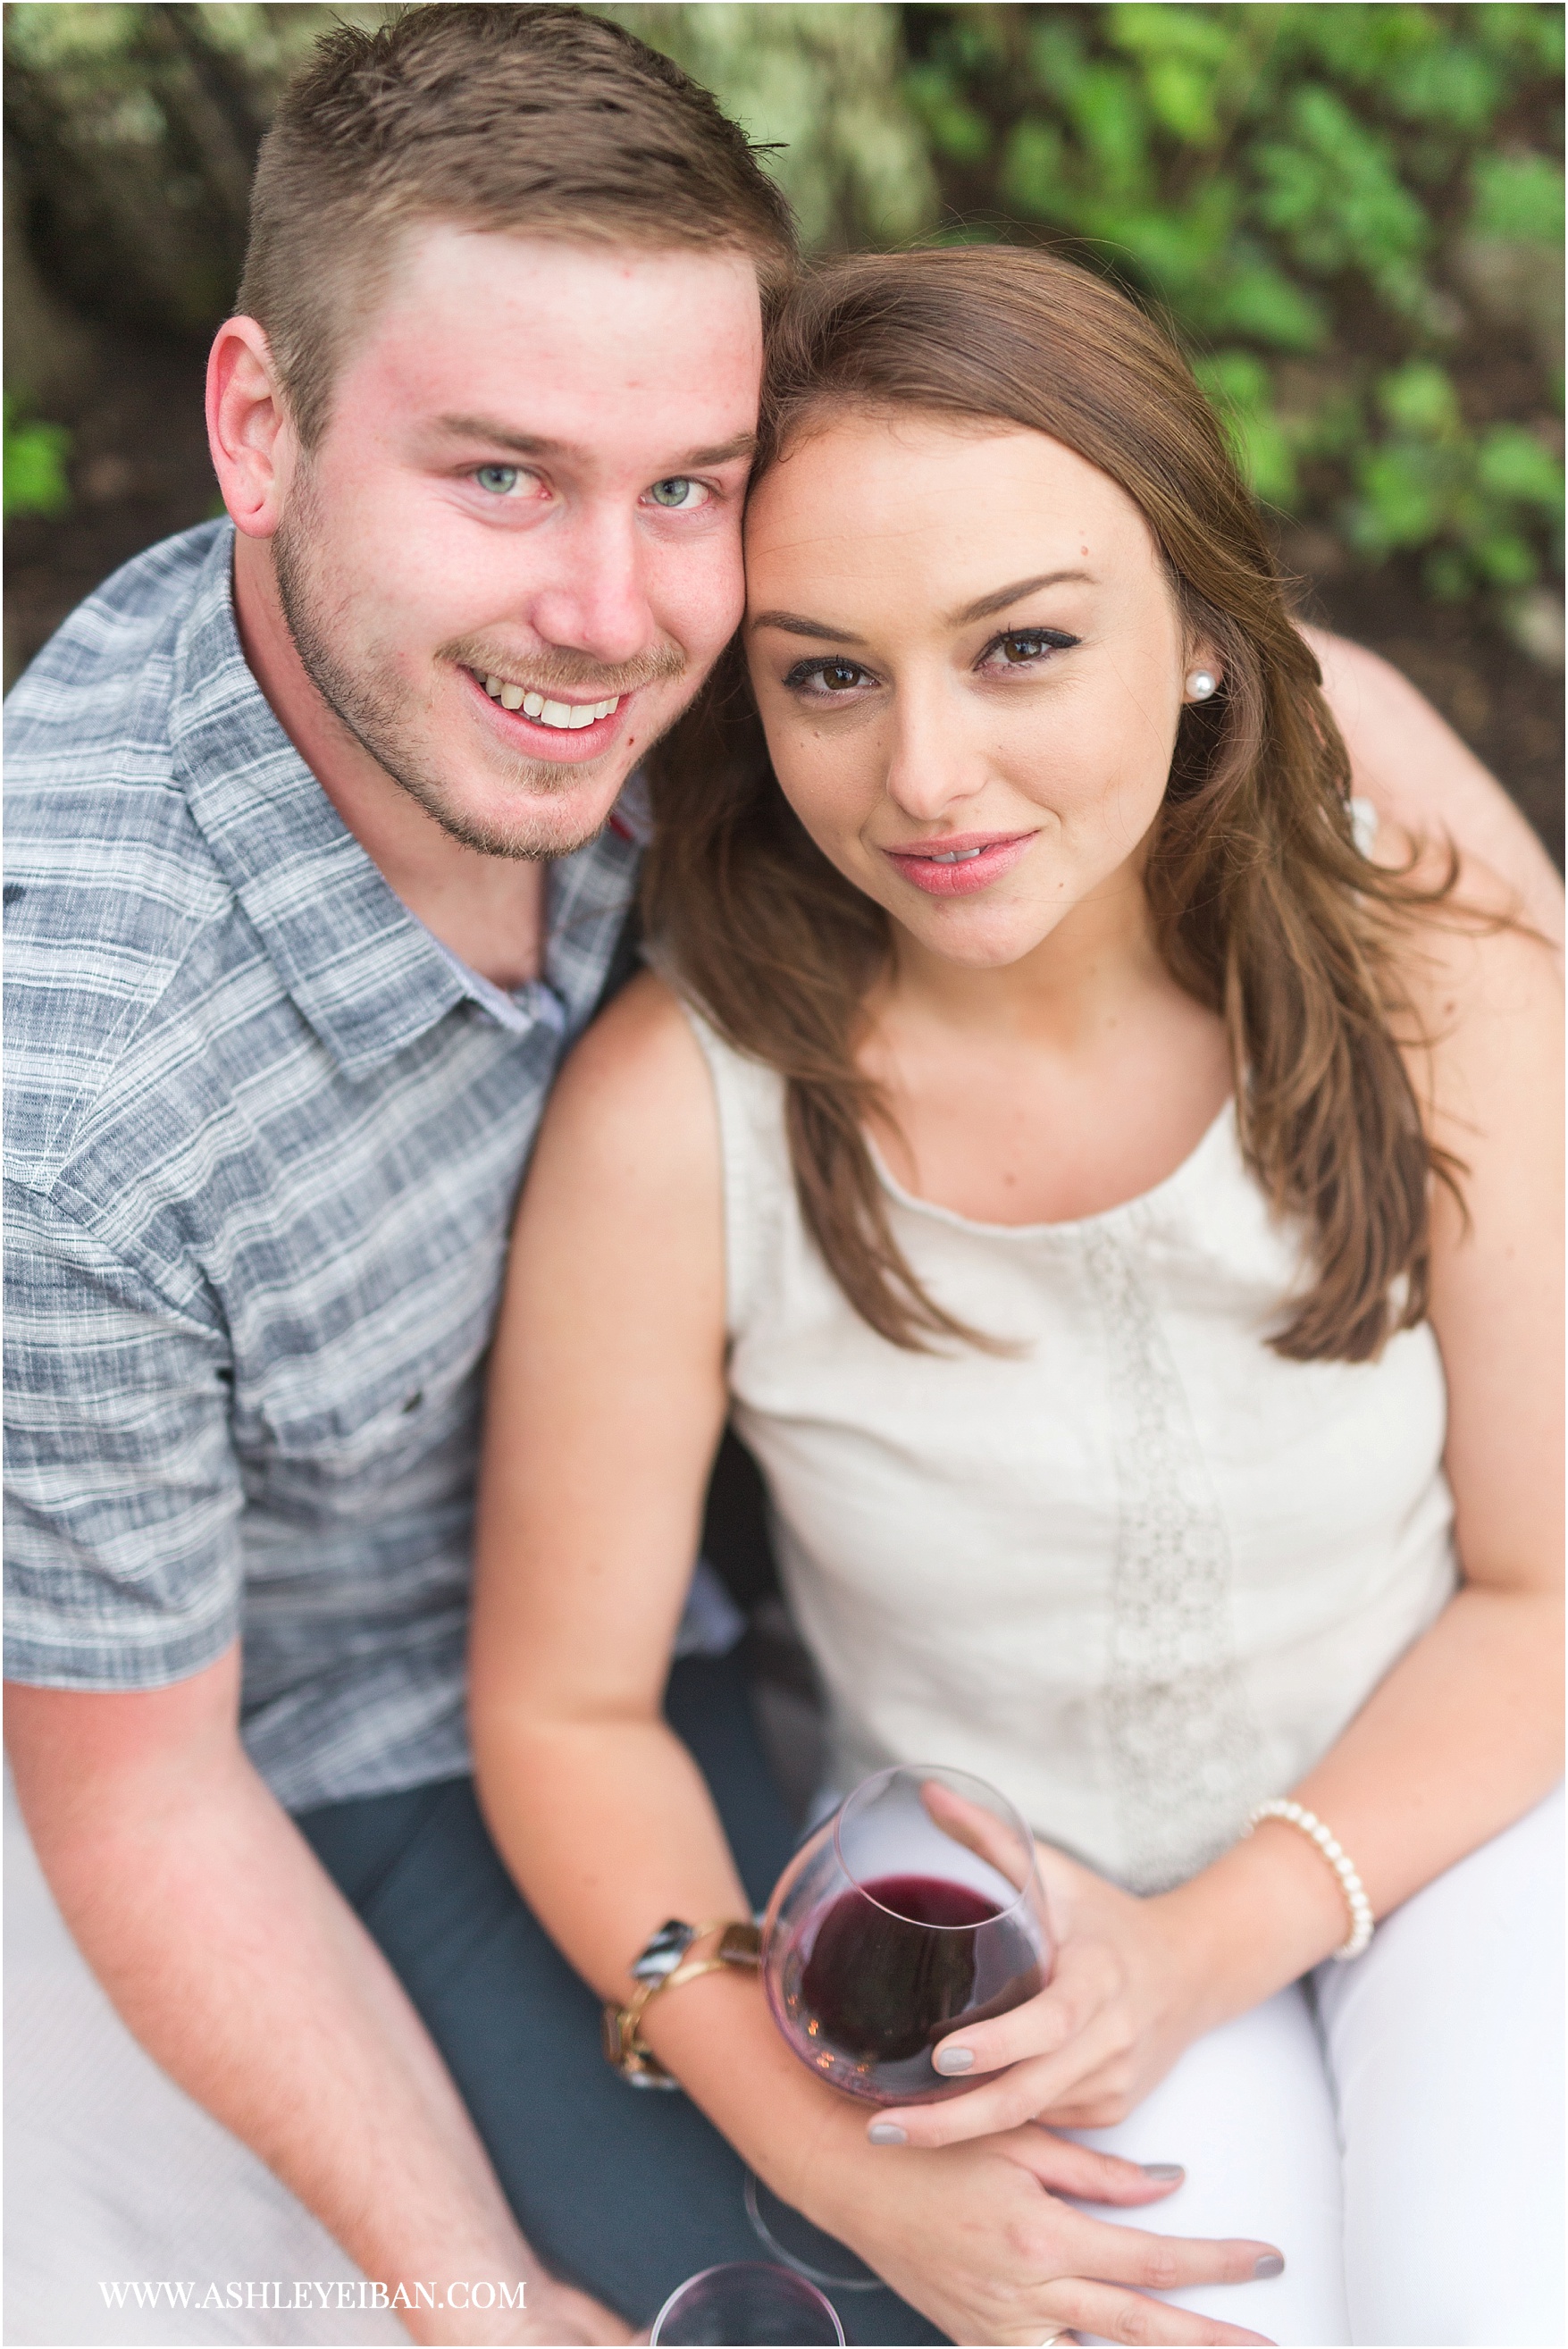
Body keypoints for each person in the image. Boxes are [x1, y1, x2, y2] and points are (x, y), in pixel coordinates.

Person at [2, 6, 1557, 2339]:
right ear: (257, 423)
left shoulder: (765, 670)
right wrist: (472, 2279)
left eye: (680, 486)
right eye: (499, 473)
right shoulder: (95, 1113)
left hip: (1134, 1733)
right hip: (395, 1724)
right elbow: (155, 1790)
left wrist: (1278, 742)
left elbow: (1050, 602)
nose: (613, 614)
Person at [468, 247, 1564, 2349]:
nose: (929, 779)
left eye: (1023, 646)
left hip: (1461, 1809)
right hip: (1014, 1936)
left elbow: (1543, 1585)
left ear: (1201, 644)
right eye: (825, 676)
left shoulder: (1436, 986)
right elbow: (560, 1708)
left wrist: (1224, 1933)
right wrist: (809, 2136)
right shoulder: (674, 1125)